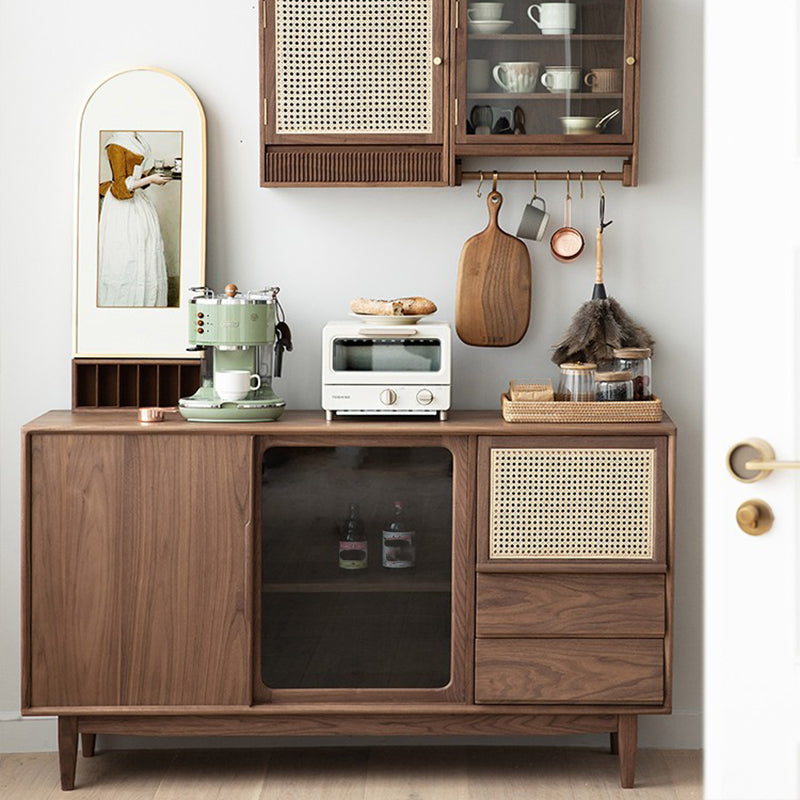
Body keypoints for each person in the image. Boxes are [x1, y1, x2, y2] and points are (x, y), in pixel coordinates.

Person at [98, 131, 171, 306]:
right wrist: (153, 179)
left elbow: (135, 178)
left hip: (139, 203)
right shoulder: (116, 144)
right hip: (122, 208)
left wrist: (155, 172)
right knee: (125, 254)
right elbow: (120, 187)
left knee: (145, 253)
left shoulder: (138, 139)